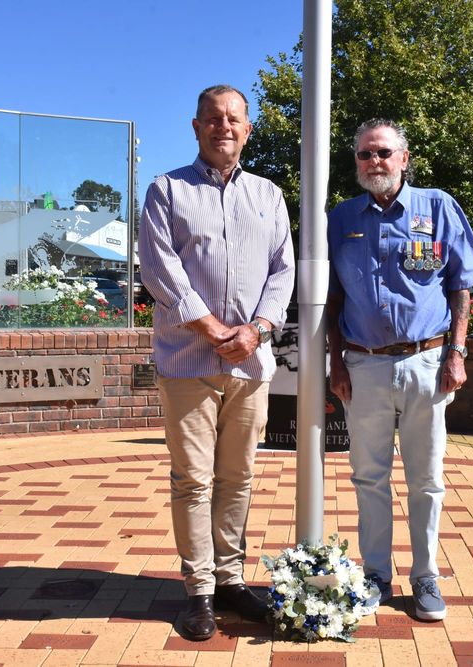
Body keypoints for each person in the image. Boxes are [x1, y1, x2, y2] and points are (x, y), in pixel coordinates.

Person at [138, 84, 295, 640]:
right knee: (193, 481)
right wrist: (210, 327)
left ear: (247, 130)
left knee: (239, 477)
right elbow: (159, 269)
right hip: (187, 362)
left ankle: (230, 580)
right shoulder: (166, 191)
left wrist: (257, 330)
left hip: (250, 364)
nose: (223, 127)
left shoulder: (268, 195)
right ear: (196, 126)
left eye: (233, 119)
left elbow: (283, 271)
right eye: (213, 118)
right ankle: (199, 590)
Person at [326, 119, 473, 621]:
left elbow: (461, 286)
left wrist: (457, 353)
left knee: (427, 479)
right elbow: (332, 298)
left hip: (426, 362)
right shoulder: (341, 218)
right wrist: (336, 362)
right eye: (364, 154)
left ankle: (425, 576)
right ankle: (376, 574)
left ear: (404, 158)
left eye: (383, 152)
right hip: (364, 364)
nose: (373, 161)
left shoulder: (437, 207)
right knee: (368, 477)